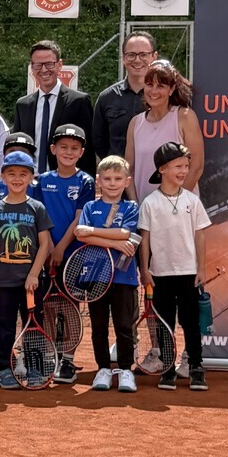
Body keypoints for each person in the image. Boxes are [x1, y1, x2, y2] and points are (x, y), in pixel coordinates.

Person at [139, 142, 211, 391]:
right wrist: (144, 269)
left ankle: (196, 368)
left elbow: (200, 236)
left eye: (186, 166)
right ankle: (168, 368)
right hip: (161, 275)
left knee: (191, 323)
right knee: (165, 323)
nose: (184, 171)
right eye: (178, 166)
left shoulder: (192, 200)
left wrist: (201, 268)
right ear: (162, 169)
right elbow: (144, 240)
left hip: (189, 273)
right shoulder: (150, 203)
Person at [29, 124, 95, 384]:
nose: (69, 152)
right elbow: (37, 218)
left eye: (74, 148)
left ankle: (66, 359)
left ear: (81, 152)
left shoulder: (86, 181)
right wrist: (46, 249)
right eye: (63, 147)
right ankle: (48, 356)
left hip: (72, 255)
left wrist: (60, 249)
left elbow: (79, 219)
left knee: (68, 307)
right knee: (46, 306)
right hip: (43, 255)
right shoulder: (41, 181)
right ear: (53, 150)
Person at [0, 151, 53, 389]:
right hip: (4, 281)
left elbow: (44, 244)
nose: (16, 178)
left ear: (31, 178)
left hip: (32, 284)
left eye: (23, 174)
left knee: (33, 324)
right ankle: (3, 367)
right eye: (11, 173)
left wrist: (34, 274)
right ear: (2, 176)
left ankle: (35, 367)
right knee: (2, 324)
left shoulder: (37, 208)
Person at [74, 155, 140, 393]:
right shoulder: (91, 207)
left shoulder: (131, 207)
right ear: (98, 181)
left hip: (125, 277)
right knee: (99, 326)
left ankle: (125, 370)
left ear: (127, 181)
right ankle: (103, 369)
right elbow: (81, 234)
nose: (113, 183)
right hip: (95, 275)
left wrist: (95, 233)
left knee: (124, 325)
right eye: (108, 178)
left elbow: (125, 232)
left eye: (118, 178)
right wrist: (113, 243)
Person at [125, 59, 204, 203]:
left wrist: (174, 204)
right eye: (149, 85)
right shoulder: (135, 123)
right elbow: (128, 169)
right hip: (144, 212)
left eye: (160, 86)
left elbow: (196, 167)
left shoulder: (185, 117)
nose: (154, 91)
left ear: (171, 89)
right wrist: (134, 204)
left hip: (180, 211)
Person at [12, 41, 95, 176]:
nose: (44, 70)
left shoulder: (78, 102)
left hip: (65, 183)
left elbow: (88, 149)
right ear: (32, 68)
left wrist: (86, 186)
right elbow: (18, 149)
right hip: (30, 182)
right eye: (38, 65)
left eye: (49, 64)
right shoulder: (23, 105)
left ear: (59, 65)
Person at [92, 32, 157, 162]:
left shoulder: (164, 96)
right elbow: (98, 141)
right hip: (118, 178)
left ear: (154, 57)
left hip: (156, 176)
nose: (137, 60)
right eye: (131, 55)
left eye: (143, 55)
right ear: (123, 58)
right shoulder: (107, 98)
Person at [0, 132, 37, 201]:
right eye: (12, 151)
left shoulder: (37, 187)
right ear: (4, 155)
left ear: (31, 157)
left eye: (23, 152)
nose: (17, 155)